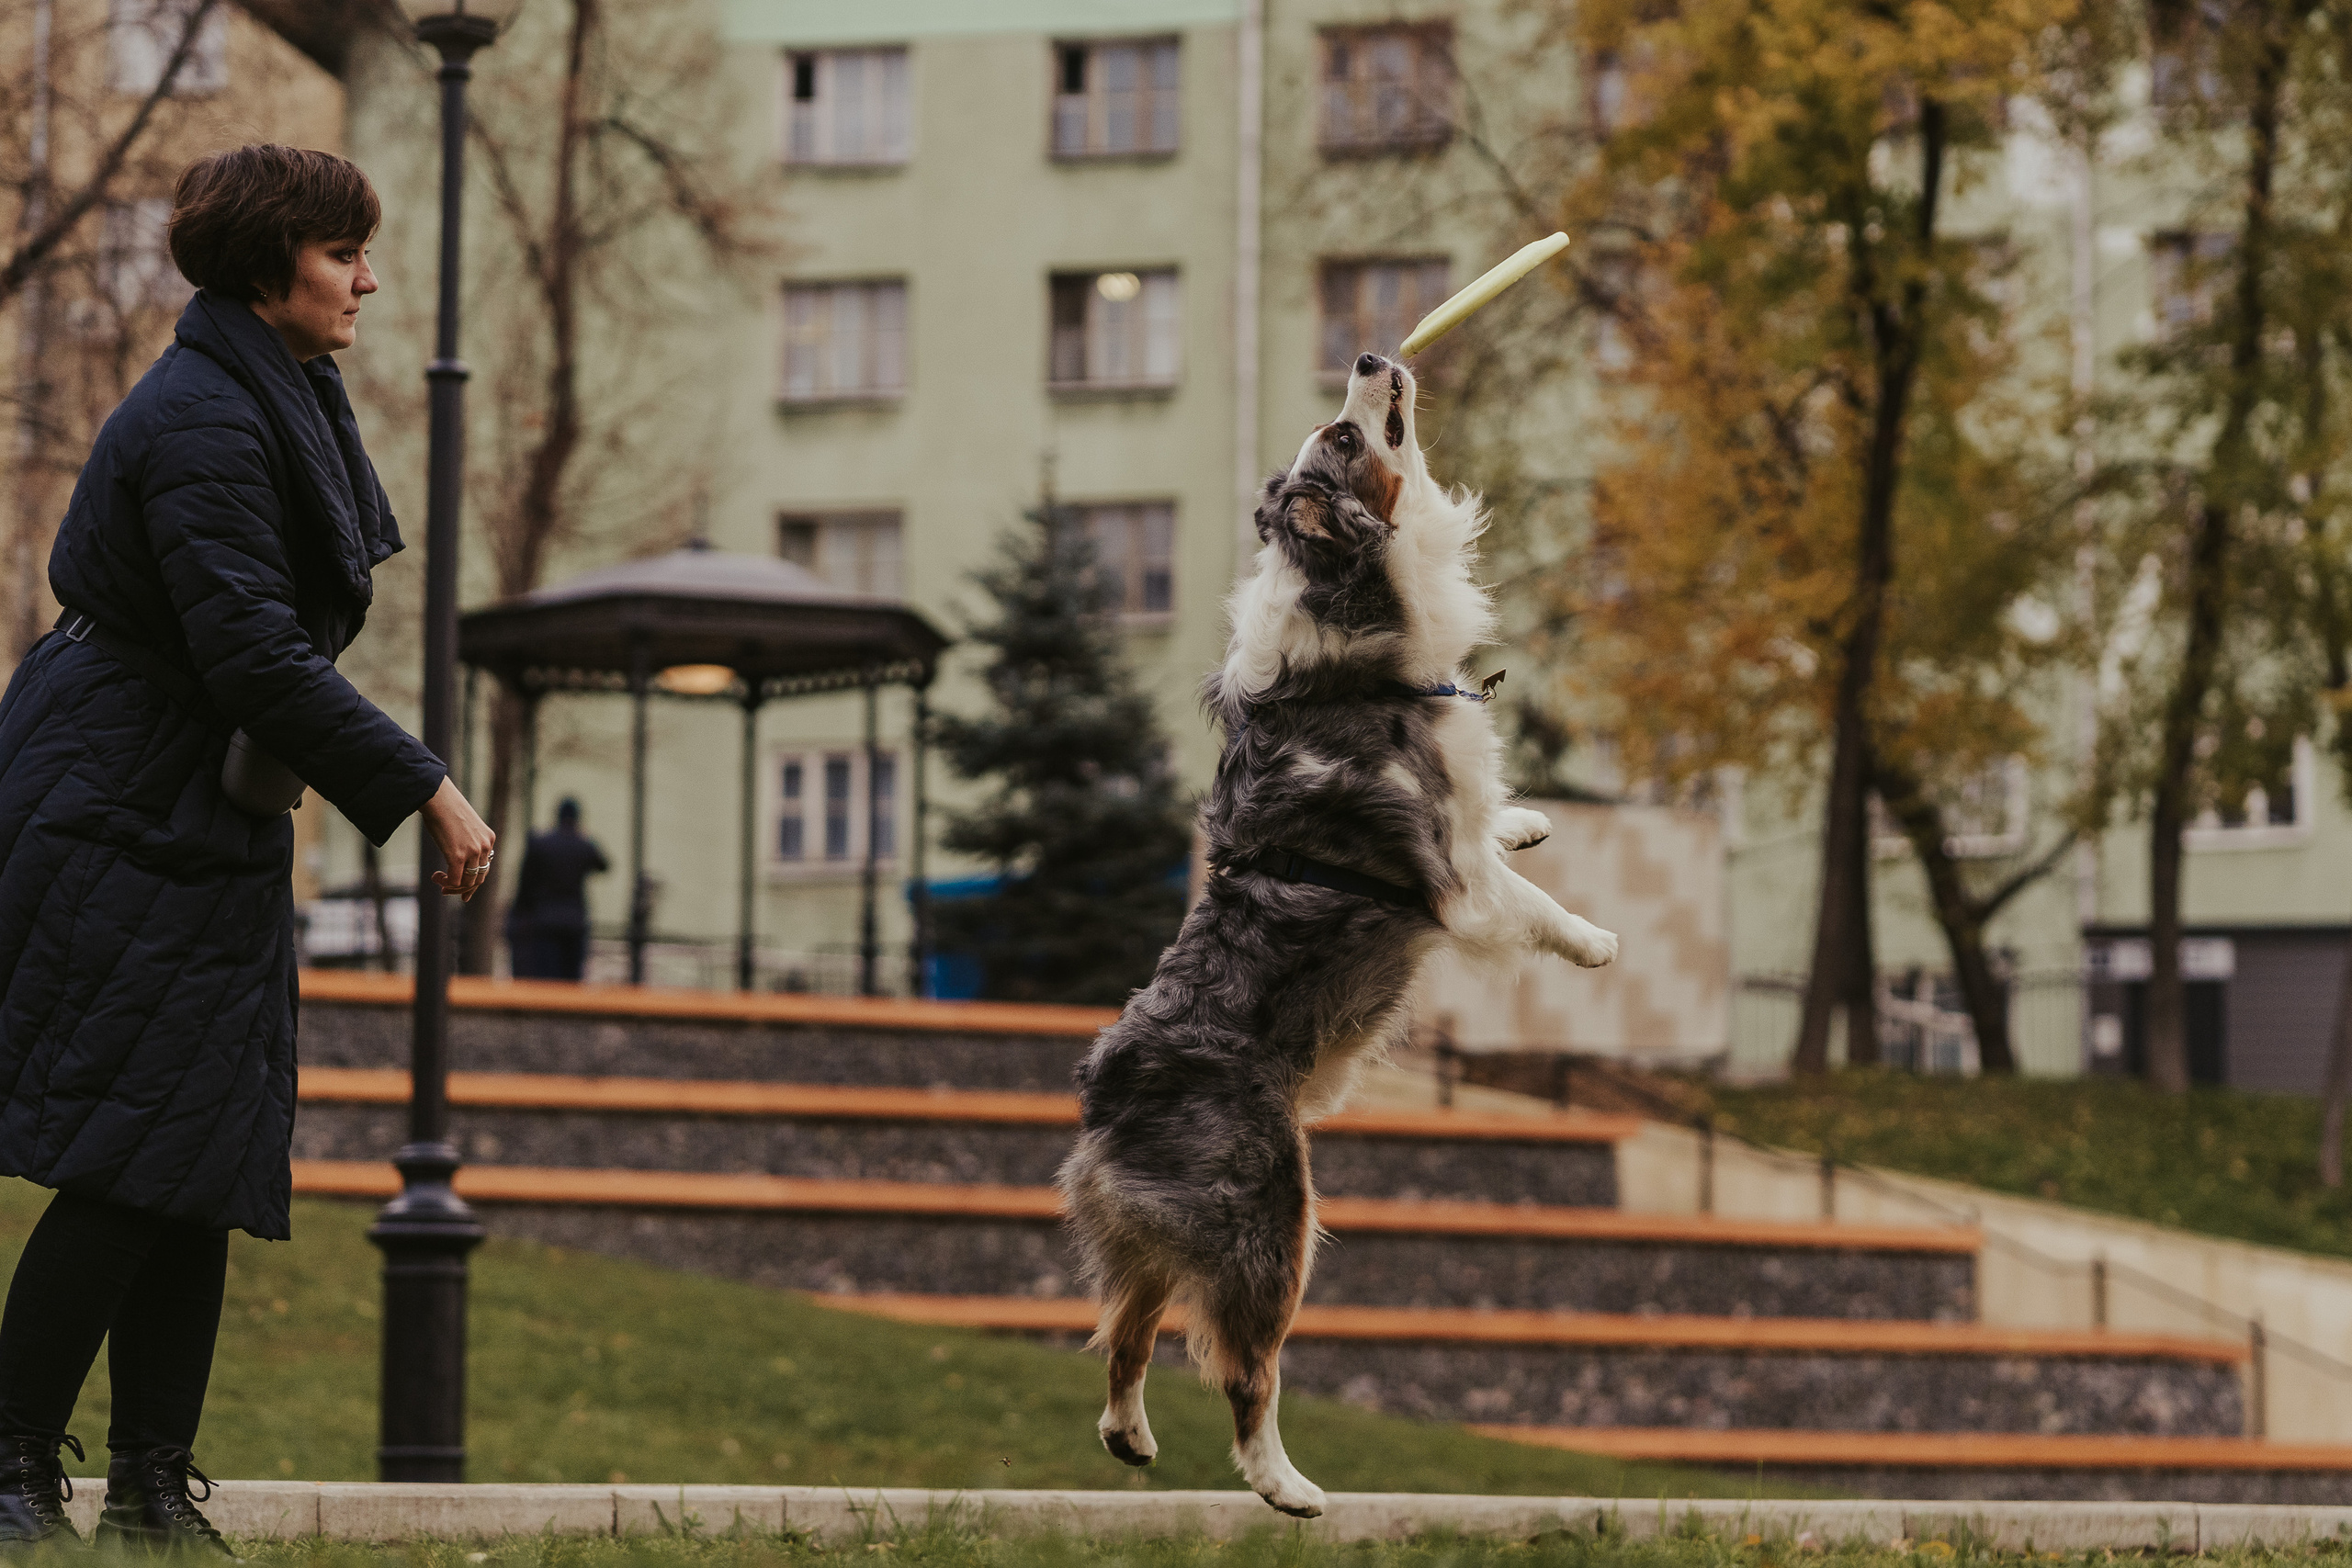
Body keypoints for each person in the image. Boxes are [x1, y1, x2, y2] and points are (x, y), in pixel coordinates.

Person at [0, 145, 496, 1552]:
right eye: (345, 253)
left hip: (188, 807)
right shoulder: (206, 419)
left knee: (194, 1153)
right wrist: (427, 789)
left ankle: (155, 1484)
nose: (368, 278)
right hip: (118, 803)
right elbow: (252, 650)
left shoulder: (261, 391)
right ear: (275, 260)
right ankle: (11, 1464)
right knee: (125, 1151)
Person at [504, 797, 609, 981]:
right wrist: (586, 840)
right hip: (575, 922)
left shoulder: (541, 843)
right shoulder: (583, 845)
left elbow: (525, 883)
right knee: (571, 980)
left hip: (545, 919)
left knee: (546, 976)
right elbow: (603, 866)